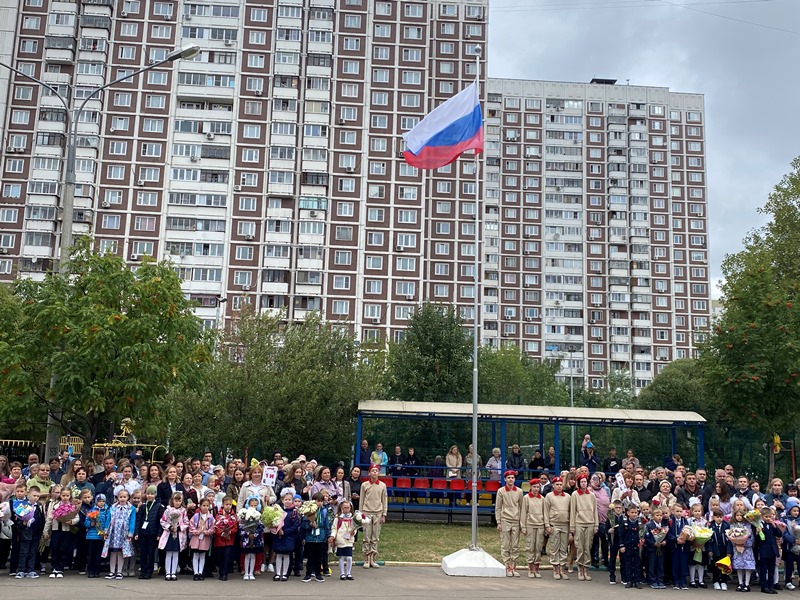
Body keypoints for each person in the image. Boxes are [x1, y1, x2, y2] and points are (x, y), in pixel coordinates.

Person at [43, 486, 80, 578]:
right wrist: (45, 531)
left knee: (63, 548)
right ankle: (54, 567)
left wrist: (71, 521)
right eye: (63, 495)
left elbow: (76, 517)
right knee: (54, 548)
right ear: (60, 495)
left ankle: (60, 568)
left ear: (70, 496)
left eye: (67, 495)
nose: (65, 497)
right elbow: (49, 518)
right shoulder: (55, 505)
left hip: (66, 530)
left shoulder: (72, 506)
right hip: (56, 530)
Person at [102, 488, 136, 580]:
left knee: (121, 552)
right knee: (113, 552)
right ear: (117, 497)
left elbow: (132, 521)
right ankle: (112, 571)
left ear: (128, 497)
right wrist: (106, 531)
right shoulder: (113, 507)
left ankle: (119, 572)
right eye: (120, 497)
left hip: (123, 533)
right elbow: (108, 519)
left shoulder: (131, 508)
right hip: (114, 532)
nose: (122, 499)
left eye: (124, 497)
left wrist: (130, 533)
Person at [569, 473, 598, 581]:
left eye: (585, 481)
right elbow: (572, 511)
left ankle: (586, 568)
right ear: (579, 483)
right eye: (581, 482)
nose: (583, 483)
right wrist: (572, 526)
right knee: (580, 547)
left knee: (587, 547)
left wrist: (596, 525)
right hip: (579, 523)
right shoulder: (575, 495)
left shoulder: (592, 495)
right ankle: (580, 569)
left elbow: (595, 511)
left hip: (590, 523)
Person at [496, 470, 523, 577]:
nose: (511, 479)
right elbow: (498, 507)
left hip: (516, 519)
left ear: (515, 479)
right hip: (505, 519)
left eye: (512, 478)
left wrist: (522, 522)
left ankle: (514, 565)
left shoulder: (519, 491)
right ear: (505, 479)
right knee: (505, 544)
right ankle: (507, 565)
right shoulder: (501, 491)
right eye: (509, 478)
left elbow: (521, 507)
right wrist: (498, 521)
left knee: (515, 544)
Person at [360, 464, 388, 568]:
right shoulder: (364, 485)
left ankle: (373, 557)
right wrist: (361, 513)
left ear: (379, 473)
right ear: (369, 473)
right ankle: (366, 558)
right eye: (373, 470)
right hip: (367, 512)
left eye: (376, 470)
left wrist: (384, 514)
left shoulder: (382, 485)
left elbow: (384, 500)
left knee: (375, 536)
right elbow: (362, 499)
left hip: (378, 512)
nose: (375, 472)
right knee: (366, 536)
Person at [544, 476, 571, 580]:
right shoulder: (549, 496)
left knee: (564, 548)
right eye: (557, 484)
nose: (559, 486)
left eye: (560, 484)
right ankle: (555, 569)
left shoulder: (567, 496)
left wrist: (571, 526)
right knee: (554, 547)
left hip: (565, 524)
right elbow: (546, 511)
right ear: (553, 485)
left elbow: (570, 511)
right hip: (554, 524)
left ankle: (562, 570)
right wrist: (547, 525)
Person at [301, 492, 330, 582]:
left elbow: (327, 524)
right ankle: (308, 574)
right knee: (310, 557)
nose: (319, 503)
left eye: (321, 501)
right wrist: (309, 525)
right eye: (317, 501)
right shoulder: (309, 511)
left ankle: (318, 574)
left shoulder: (324, 511)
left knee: (319, 557)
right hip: (310, 538)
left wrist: (328, 535)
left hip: (321, 538)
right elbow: (303, 525)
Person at [159, 492, 189, 581]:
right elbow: (163, 521)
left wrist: (179, 528)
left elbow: (186, 522)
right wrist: (170, 527)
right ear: (172, 500)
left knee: (175, 554)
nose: (177, 502)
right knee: (169, 553)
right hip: (169, 534)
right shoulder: (167, 510)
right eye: (176, 500)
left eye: (179, 501)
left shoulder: (183, 511)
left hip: (178, 535)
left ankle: (173, 572)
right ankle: (168, 572)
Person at [134, 485, 162, 580]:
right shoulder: (143, 506)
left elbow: (160, 521)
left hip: (153, 533)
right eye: (148, 493)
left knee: (151, 552)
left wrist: (159, 534)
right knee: (143, 552)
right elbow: (139, 520)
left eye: (152, 494)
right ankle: (143, 571)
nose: (150, 495)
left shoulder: (159, 506)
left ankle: (149, 571)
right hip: (143, 533)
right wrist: (137, 533)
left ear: (155, 495)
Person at [520, 478, 546, 578]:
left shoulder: (542, 498)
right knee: (530, 546)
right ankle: (530, 568)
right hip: (530, 524)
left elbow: (545, 513)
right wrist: (523, 526)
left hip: (540, 525)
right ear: (531, 487)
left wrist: (545, 525)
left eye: (537, 487)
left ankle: (537, 568)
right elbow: (523, 512)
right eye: (534, 487)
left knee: (538, 547)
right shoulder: (526, 498)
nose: (536, 489)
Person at [272, 488, 299, 581]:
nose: (287, 501)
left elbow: (295, 525)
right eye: (286, 499)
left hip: (289, 537)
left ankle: (284, 573)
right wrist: (277, 529)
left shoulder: (294, 512)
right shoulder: (278, 511)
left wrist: (285, 532)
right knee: (279, 555)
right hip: (278, 536)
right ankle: (277, 573)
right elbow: (274, 521)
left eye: (289, 500)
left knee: (286, 555)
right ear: (282, 500)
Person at [755, 507, 782, 594]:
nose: (769, 518)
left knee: (771, 570)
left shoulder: (772, 525)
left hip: (772, 550)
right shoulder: (759, 525)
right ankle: (764, 586)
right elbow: (758, 540)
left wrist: (775, 526)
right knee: (763, 570)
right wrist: (758, 533)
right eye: (766, 517)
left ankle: (771, 586)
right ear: (762, 517)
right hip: (764, 550)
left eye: (770, 516)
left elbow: (779, 534)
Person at [238, 496, 265, 581]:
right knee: (247, 555)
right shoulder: (244, 515)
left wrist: (255, 534)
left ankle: (251, 573)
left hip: (256, 539)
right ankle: (246, 572)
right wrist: (248, 533)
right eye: (251, 505)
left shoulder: (259, 516)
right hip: (246, 539)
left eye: (255, 505)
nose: (253, 507)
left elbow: (261, 527)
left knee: (253, 555)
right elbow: (241, 526)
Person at [330, 499, 357, 580]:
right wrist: (333, 536)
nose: (347, 509)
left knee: (349, 557)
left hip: (349, 540)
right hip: (340, 539)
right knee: (341, 557)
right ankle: (342, 573)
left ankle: (348, 573)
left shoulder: (353, 518)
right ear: (341, 508)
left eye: (348, 507)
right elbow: (334, 528)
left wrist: (354, 532)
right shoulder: (338, 517)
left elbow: (355, 527)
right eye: (345, 507)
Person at [189, 498, 215, 580]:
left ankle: (200, 572)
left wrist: (207, 532)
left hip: (205, 538)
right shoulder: (196, 516)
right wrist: (196, 531)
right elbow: (191, 526)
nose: (206, 507)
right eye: (204, 505)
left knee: (203, 555)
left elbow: (213, 527)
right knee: (196, 555)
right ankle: (195, 573)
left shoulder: (210, 517)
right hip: (196, 538)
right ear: (200, 506)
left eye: (207, 506)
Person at [213, 495, 238, 581]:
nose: (228, 506)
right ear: (223, 504)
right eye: (226, 504)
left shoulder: (233, 515)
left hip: (229, 540)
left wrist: (229, 532)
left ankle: (224, 573)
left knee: (227, 556)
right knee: (220, 556)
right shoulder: (218, 515)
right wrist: (222, 533)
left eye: (230, 504)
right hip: (220, 540)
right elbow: (216, 526)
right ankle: (221, 571)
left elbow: (235, 527)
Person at [707, 507, 732, 590]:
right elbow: (708, 540)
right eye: (717, 517)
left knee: (724, 566)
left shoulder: (726, 526)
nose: (719, 519)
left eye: (721, 517)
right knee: (715, 566)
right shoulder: (710, 526)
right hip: (715, 550)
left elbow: (730, 540)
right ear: (713, 517)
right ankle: (716, 581)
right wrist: (709, 550)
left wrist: (729, 551)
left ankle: (724, 582)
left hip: (724, 550)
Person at [645, 505, 669, 589]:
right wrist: (653, 543)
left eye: (661, 515)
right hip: (652, 549)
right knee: (652, 564)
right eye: (657, 515)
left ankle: (660, 580)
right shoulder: (649, 525)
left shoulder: (664, 525)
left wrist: (665, 542)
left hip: (661, 548)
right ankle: (652, 580)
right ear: (652, 517)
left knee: (660, 565)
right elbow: (647, 538)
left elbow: (667, 536)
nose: (659, 517)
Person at [619, 503, 643, 588]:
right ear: (628, 513)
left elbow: (642, 535)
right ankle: (629, 580)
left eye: (635, 512)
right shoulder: (625, 523)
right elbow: (621, 535)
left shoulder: (640, 523)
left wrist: (642, 541)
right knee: (628, 564)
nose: (634, 514)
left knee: (637, 564)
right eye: (632, 512)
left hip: (637, 547)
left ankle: (637, 581)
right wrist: (621, 545)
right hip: (627, 547)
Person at [667, 502, 690, 590]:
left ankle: (683, 582)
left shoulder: (685, 521)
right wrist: (676, 539)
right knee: (675, 564)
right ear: (673, 511)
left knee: (683, 564)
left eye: (680, 511)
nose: (679, 513)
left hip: (684, 546)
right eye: (677, 511)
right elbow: (668, 533)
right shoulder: (670, 521)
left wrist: (686, 538)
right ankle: (676, 582)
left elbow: (688, 531)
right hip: (674, 546)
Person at [687, 499, 708, 588]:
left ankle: (700, 580)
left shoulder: (704, 521)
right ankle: (692, 580)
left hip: (702, 545)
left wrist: (703, 541)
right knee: (692, 563)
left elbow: (707, 532)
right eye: (695, 511)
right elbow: (687, 531)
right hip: (693, 545)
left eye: (699, 511)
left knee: (701, 563)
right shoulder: (689, 521)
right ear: (692, 512)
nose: (697, 513)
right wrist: (692, 540)